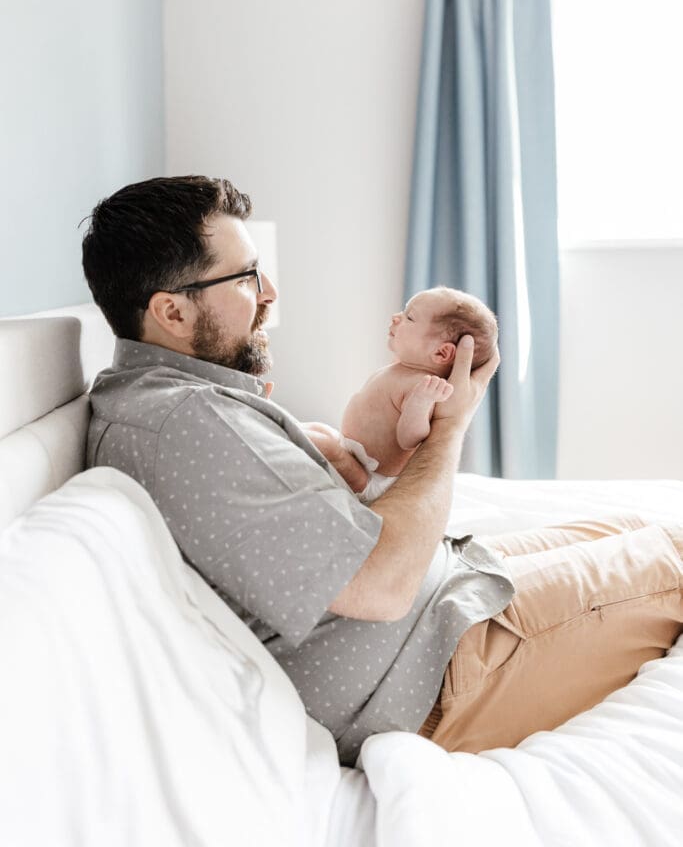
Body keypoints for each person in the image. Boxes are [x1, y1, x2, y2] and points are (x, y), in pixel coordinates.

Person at [81, 175, 683, 766]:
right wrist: (450, 426)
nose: (269, 291)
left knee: (635, 524)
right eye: (245, 277)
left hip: (435, 603)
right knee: (675, 552)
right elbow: (383, 585)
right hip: (428, 670)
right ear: (172, 313)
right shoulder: (188, 423)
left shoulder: (167, 404)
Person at [306, 287, 498, 504]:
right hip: (353, 455)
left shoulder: (422, 386)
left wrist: (420, 402)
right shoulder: (402, 369)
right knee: (319, 430)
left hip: (371, 479)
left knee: (323, 444)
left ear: (441, 352)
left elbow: (409, 439)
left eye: (409, 317)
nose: (396, 317)